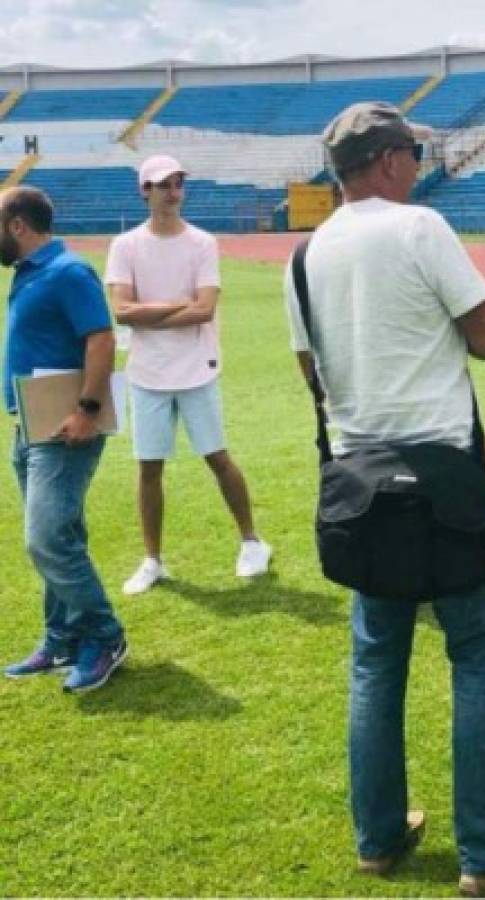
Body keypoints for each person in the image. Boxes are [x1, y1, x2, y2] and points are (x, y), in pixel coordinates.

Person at [281, 101, 485, 894]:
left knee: (375, 661)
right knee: (473, 656)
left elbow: (310, 372)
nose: (419, 166)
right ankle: (484, 853)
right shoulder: (420, 228)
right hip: (439, 470)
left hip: (360, 477)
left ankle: (379, 837)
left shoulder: (307, 254)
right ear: (390, 159)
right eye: (414, 154)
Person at [105, 155, 271, 595]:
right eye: (163, 184)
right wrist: (178, 306)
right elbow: (121, 311)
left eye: (177, 183)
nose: (172, 191)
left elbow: (205, 309)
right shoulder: (126, 246)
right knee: (149, 467)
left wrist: (148, 314)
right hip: (147, 371)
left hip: (198, 367)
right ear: (145, 191)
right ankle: (152, 559)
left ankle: (252, 542)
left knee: (217, 456)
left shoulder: (201, 243)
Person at [1, 186, 128, 693]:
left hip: (64, 425)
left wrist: (87, 410)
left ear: (16, 225)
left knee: (47, 537)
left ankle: (105, 633)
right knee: (62, 536)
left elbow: (100, 338)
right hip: (32, 423)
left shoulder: (68, 272)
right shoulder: (29, 274)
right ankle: (62, 637)